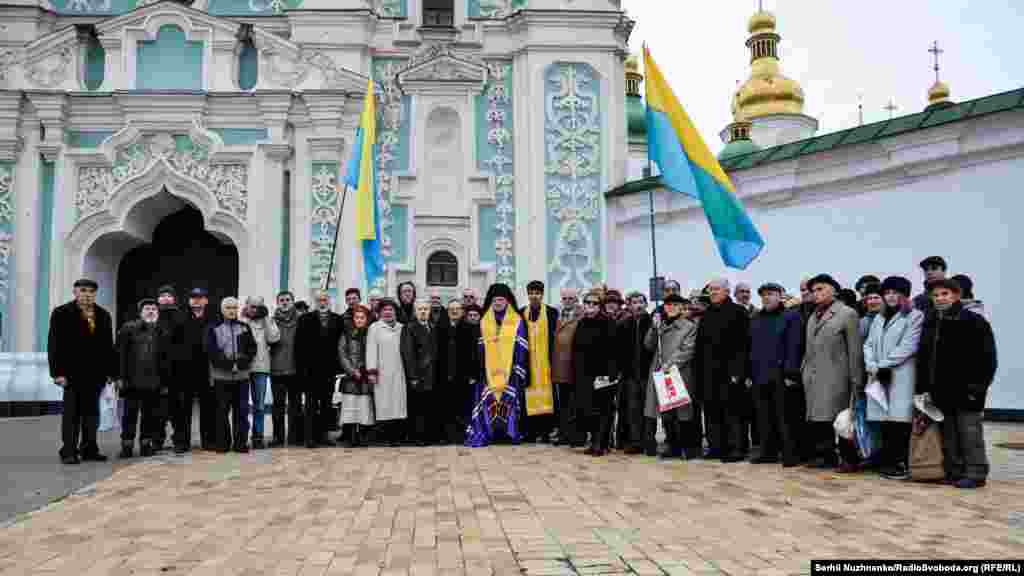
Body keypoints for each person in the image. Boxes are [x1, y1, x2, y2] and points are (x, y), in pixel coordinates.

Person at [917, 278, 997, 489]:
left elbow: (988, 358)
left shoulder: (973, 321)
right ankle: (954, 471)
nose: (940, 299)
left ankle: (976, 472)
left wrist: (978, 388)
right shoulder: (931, 322)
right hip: (940, 390)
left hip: (968, 390)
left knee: (969, 432)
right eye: (935, 296)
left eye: (945, 294)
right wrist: (924, 387)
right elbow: (924, 358)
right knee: (949, 434)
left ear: (956, 296)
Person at [48, 278, 117, 465]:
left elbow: (108, 345)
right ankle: (69, 451)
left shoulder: (103, 315)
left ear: (95, 294)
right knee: (71, 415)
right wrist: (57, 373)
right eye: (83, 291)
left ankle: (89, 448)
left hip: (96, 374)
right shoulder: (62, 313)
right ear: (75, 292)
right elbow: (54, 345)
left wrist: (111, 372)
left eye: (91, 292)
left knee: (92, 414)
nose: (87, 295)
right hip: (71, 374)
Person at [863, 276, 924, 480]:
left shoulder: (914, 316)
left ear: (904, 294)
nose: (890, 296)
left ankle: (900, 463)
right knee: (883, 422)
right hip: (879, 375)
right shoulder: (879, 318)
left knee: (900, 422)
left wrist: (883, 365)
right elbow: (868, 345)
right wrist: (872, 366)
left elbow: (908, 346)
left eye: (895, 292)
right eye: (887, 292)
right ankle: (886, 460)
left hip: (900, 375)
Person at [801, 274, 863, 469]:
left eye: (821, 289)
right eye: (814, 290)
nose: (816, 293)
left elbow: (855, 350)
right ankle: (825, 456)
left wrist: (856, 380)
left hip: (838, 376)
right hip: (813, 375)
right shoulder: (813, 315)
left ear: (834, 290)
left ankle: (849, 459)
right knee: (818, 419)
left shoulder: (847, 313)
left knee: (841, 418)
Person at [693, 278, 751, 462]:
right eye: (711, 290)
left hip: (730, 373)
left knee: (732, 412)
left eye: (717, 289)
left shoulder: (738, 312)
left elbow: (744, 344)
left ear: (727, 291)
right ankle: (716, 447)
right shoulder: (707, 314)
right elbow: (700, 345)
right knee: (711, 411)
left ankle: (736, 449)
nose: (713, 292)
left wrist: (739, 372)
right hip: (708, 372)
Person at [466, 284, 529, 447]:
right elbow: (478, 347)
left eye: (501, 299)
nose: (498, 303)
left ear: (507, 301)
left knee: (508, 401)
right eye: (495, 300)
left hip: (511, 372)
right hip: (488, 371)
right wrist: (479, 368)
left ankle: (509, 433)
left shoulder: (517, 321)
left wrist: (517, 367)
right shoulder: (483, 321)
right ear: (490, 301)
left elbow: (521, 346)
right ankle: (489, 433)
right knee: (489, 401)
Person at [746, 283, 802, 465]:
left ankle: (790, 453)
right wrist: (749, 373)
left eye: (771, 294)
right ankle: (767, 452)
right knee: (764, 417)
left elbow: (794, 346)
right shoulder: (756, 318)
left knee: (785, 417)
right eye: (763, 295)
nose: (766, 298)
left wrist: (791, 373)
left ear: (780, 295)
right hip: (760, 374)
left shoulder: (791, 316)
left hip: (781, 375)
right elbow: (750, 347)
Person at [644, 293, 696, 459]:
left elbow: (687, 350)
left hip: (679, 373)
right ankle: (672, 446)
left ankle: (687, 448)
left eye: (675, 305)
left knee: (683, 413)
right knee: (667, 413)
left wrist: (669, 364)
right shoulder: (660, 325)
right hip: (661, 373)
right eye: (668, 305)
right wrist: (654, 328)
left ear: (682, 307)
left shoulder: (689, 326)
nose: (671, 308)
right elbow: (648, 345)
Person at [207, 297, 258, 453]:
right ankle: (222, 443)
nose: (232, 311)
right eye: (228, 308)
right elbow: (212, 351)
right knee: (221, 412)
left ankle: (240, 443)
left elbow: (252, 349)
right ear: (222, 310)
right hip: (222, 378)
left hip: (241, 378)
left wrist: (241, 364)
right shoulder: (213, 328)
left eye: (235, 308)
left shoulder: (244, 327)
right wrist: (230, 365)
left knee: (241, 412)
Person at [117, 299, 166, 458]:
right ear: (140, 312)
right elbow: (119, 354)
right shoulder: (128, 328)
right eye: (147, 309)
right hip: (132, 381)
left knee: (150, 415)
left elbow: (166, 358)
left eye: (154, 309)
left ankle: (146, 444)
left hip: (154, 382)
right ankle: (127, 445)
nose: (151, 311)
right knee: (129, 415)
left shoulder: (161, 331)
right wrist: (119, 377)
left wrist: (164, 381)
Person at [295, 291, 345, 447]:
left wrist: (338, 368)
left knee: (326, 404)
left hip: (329, 371)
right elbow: (299, 346)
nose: (322, 302)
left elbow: (340, 346)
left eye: (325, 299)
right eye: (319, 300)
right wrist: (301, 369)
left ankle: (324, 436)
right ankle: (310, 437)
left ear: (329, 301)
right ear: (315, 302)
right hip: (309, 371)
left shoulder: (338, 319)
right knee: (310, 405)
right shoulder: (305, 319)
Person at [571, 289, 618, 456]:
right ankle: (593, 441)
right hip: (584, 374)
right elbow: (576, 349)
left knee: (603, 409)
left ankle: (601, 443)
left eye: (594, 303)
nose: (591, 306)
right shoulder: (582, 322)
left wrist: (610, 374)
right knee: (588, 410)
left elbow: (614, 350)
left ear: (600, 306)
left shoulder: (608, 322)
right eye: (588, 303)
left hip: (602, 375)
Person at [521, 281, 559, 443]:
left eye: (537, 293)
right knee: (528, 397)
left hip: (546, 362)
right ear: (528, 294)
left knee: (547, 397)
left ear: (542, 294)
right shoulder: (521, 312)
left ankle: (546, 431)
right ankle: (530, 432)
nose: (534, 296)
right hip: (528, 362)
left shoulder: (551, 312)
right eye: (531, 293)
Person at [367, 298, 407, 446]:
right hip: (381, 372)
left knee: (398, 403)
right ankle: (385, 436)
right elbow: (371, 350)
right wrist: (372, 371)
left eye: (391, 310)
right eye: (385, 310)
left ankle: (398, 436)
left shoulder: (402, 328)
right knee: (384, 404)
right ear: (379, 313)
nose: (388, 312)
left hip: (399, 371)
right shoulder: (375, 328)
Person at [401, 299, 442, 446]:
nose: (423, 312)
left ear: (429, 311)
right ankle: (418, 437)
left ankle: (430, 436)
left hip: (433, 374)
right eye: (420, 309)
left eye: (426, 309)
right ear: (415, 312)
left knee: (430, 406)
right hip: (418, 375)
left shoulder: (433, 326)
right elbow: (408, 353)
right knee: (418, 408)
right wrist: (412, 376)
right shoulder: (409, 328)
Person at [241, 296, 280, 449]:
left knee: (259, 406)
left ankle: (258, 437)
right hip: (243, 368)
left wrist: (265, 319)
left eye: (257, 307)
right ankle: (242, 436)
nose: (254, 309)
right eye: (252, 306)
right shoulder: (241, 319)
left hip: (261, 368)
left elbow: (273, 338)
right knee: (242, 405)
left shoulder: (267, 320)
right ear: (247, 306)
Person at [619, 291, 653, 454]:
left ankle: (649, 442)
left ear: (646, 304)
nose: (638, 305)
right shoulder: (625, 324)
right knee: (633, 410)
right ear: (629, 306)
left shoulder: (653, 321)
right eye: (634, 302)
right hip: (631, 374)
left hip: (648, 373)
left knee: (649, 410)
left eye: (641, 302)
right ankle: (635, 442)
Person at [154, 285, 186, 452]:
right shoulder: (153, 315)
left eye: (169, 295)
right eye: (162, 295)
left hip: (176, 371)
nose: (165, 298)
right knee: (156, 409)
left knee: (177, 410)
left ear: (174, 298)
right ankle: (156, 440)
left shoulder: (180, 316)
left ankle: (179, 441)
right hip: (156, 372)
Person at [338, 304, 374, 447]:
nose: (359, 320)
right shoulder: (346, 334)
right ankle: (351, 436)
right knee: (351, 407)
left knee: (364, 407)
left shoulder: (371, 334)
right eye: (357, 317)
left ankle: (363, 436)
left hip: (366, 377)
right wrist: (352, 371)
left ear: (366, 319)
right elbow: (342, 354)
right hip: (351, 378)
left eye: (362, 317)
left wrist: (367, 369)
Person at [182, 287, 213, 451]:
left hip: (206, 370)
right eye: (193, 297)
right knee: (183, 408)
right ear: (189, 301)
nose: (197, 300)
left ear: (206, 301)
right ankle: (182, 442)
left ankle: (208, 441)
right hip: (186, 370)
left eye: (200, 297)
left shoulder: (213, 320)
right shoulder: (181, 320)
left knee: (208, 407)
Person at [270, 291, 302, 447]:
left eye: (287, 300)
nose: (284, 302)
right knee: (278, 406)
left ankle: (295, 436)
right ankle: (278, 437)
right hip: (277, 369)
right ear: (277, 302)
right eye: (281, 300)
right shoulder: (271, 320)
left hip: (295, 369)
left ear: (293, 302)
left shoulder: (301, 319)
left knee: (295, 405)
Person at [553, 288, 583, 447]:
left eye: (571, 298)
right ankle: (564, 433)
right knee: (562, 403)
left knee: (575, 402)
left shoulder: (582, 314)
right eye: (565, 298)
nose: (568, 301)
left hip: (574, 365)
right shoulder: (556, 314)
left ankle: (574, 434)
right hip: (559, 366)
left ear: (576, 299)